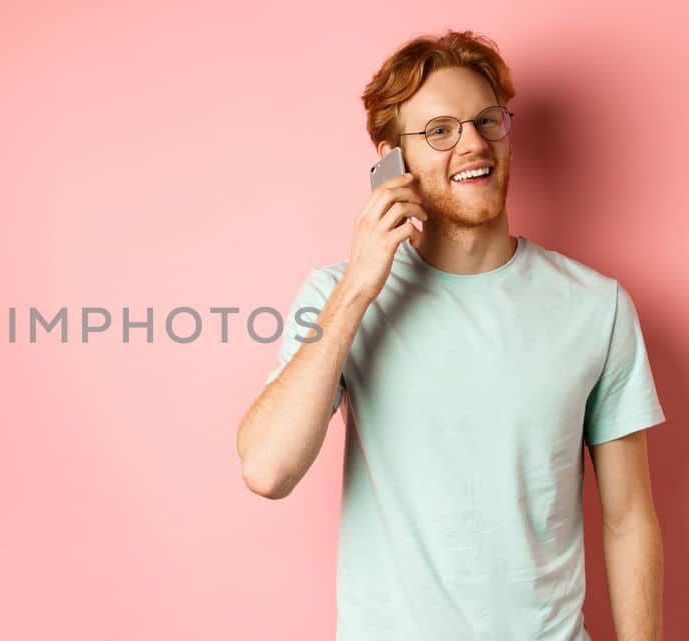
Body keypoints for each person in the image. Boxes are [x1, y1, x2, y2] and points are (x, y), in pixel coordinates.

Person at [234, 30, 665, 641]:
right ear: (392, 161)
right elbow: (267, 469)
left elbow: (628, 521)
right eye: (440, 131)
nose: (473, 143)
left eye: (487, 120)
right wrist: (359, 287)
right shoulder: (337, 296)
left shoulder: (596, 307)